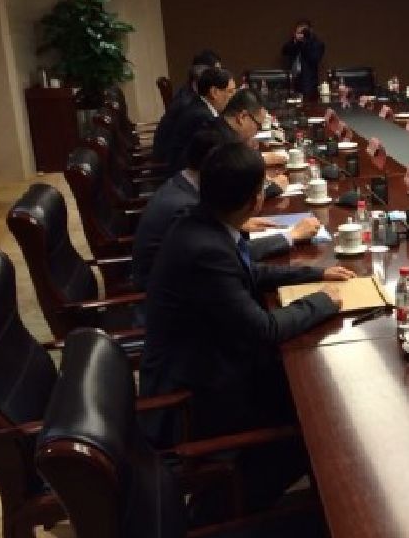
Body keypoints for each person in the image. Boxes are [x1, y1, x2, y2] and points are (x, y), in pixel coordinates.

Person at [140, 142, 355, 509]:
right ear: (254, 201)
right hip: (196, 399)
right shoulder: (205, 248)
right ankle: (235, 510)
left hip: (205, 363)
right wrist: (323, 301)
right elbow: (265, 329)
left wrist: (315, 274)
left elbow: (248, 272)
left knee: (312, 383)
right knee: (318, 413)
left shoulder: (200, 223)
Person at [131, 129, 321, 291]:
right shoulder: (185, 206)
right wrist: (291, 235)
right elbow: (227, 255)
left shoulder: (185, 186)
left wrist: (234, 220)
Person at [161, 67, 236, 172]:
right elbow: (214, 154)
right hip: (185, 175)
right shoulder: (202, 116)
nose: (234, 97)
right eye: (230, 92)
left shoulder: (198, 106)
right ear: (214, 92)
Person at [281, 19, 325, 96]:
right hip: (293, 82)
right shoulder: (294, 44)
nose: (301, 35)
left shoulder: (317, 44)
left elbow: (314, 59)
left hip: (308, 84)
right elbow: (285, 51)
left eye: (303, 33)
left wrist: (306, 42)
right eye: (299, 33)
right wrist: (296, 42)